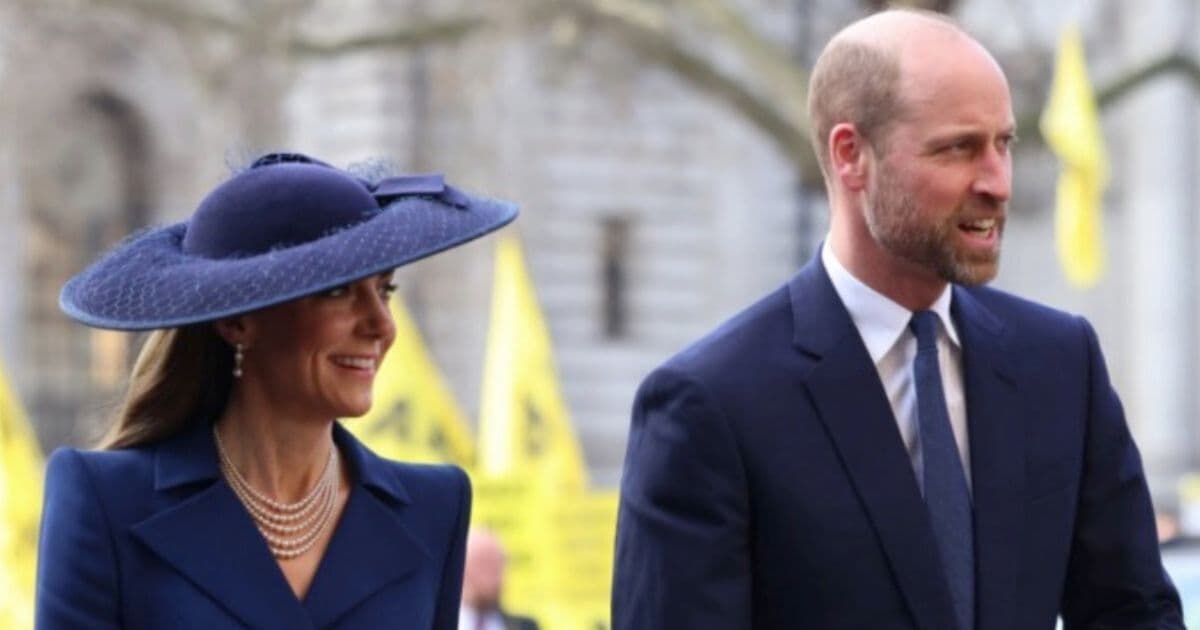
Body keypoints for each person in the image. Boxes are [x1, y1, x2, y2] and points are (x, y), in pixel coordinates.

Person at [612, 9, 1183, 630]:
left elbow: (1133, 612)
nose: (997, 181)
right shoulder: (711, 405)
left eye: (1004, 144)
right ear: (852, 155)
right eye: (959, 148)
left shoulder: (1060, 364)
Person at [36, 152, 517, 629]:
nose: (381, 325)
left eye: (385, 290)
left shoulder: (433, 507)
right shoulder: (106, 499)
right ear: (236, 321)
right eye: (338, 291)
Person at [458, 528, 539, 630]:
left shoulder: (525, 626)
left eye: (497, 565)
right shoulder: (438, 622)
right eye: (483, 564)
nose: (492, 578)